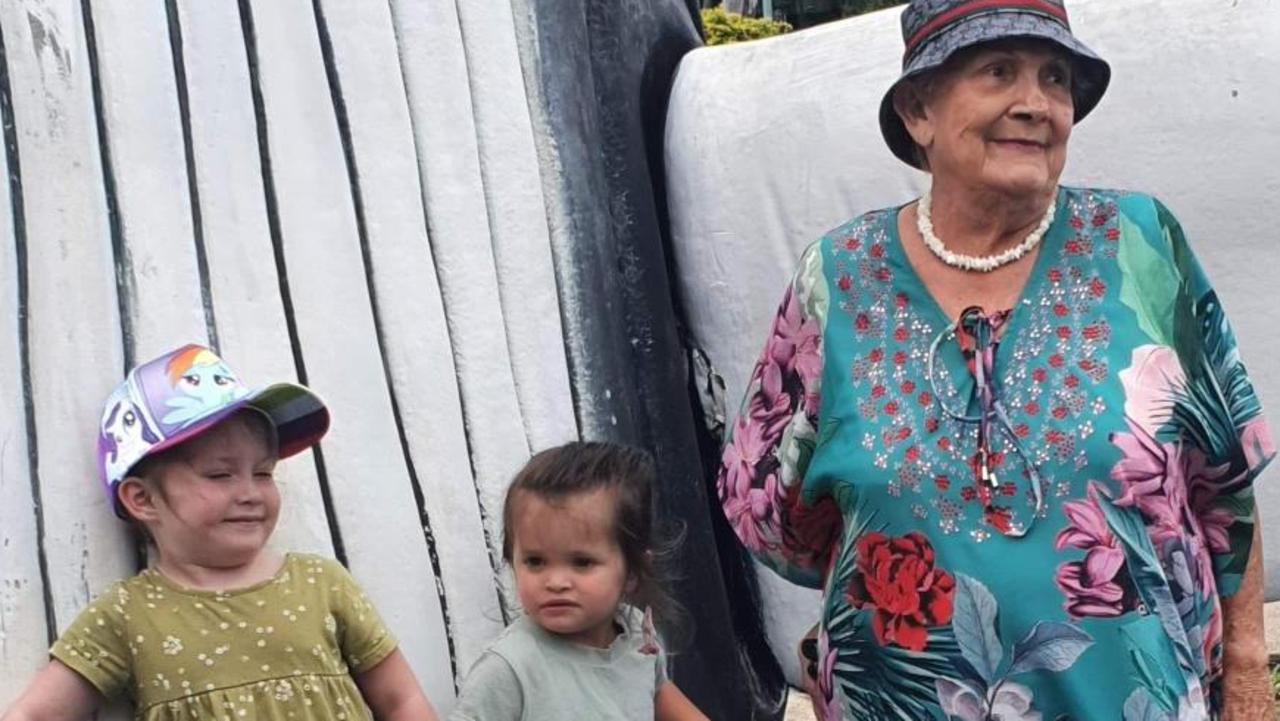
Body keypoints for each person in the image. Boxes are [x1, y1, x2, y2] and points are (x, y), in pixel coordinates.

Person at [716, 1, 1275, 718]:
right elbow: (776, 514)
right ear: (919, 111)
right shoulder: (838, 278)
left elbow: (1223, 480)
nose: (1035, 103)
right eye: (999, 72)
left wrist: (1250, 671)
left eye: (1055, 79)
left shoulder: (1139, 243)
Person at [2, 344, 439, 721]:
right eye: (219, 474)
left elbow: (401, 699)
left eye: (264, 473)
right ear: (144, 500)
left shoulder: (321, 583)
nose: (250, 493)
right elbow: (36, 712)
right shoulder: (128, 615)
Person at [450, 441, 707, 720]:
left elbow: (658, 692)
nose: (556, 582)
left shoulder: (637, 634)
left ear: (632, 571)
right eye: (535, 561)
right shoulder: (511, 668)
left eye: (582, 562)